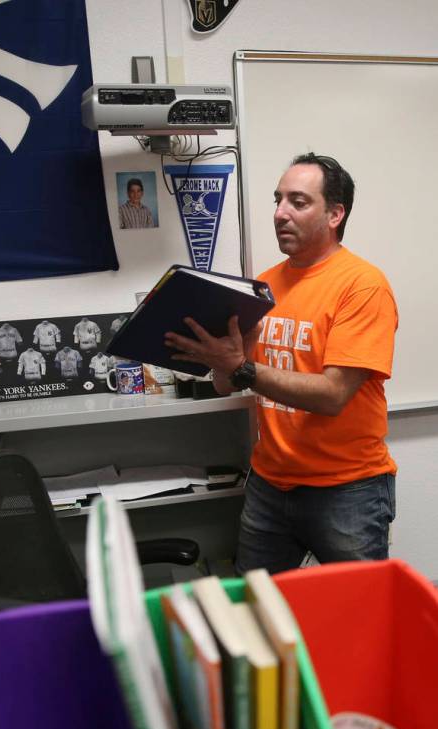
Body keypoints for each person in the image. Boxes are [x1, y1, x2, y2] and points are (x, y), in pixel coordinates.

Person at [164, 153, 398, 574]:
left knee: (358, 614)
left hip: (346, 489)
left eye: (298, 202)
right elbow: (226, 383)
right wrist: (219, 360)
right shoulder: (264, 285)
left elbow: (332, 396)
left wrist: (240, 368)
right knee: (258, 608)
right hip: (270, 483)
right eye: (277, 200)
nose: (280, 213)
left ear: (335, 214)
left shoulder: (362, 285)